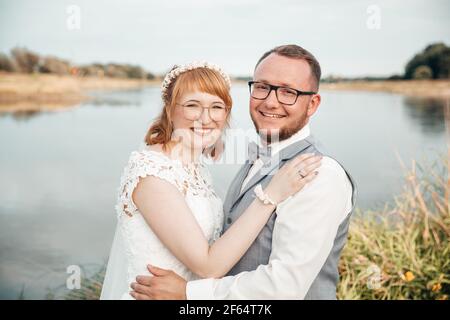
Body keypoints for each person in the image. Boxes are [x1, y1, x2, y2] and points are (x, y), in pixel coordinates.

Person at [130, 45, 356, 300]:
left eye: (288, 92)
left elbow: (283, 287)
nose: (270, 101)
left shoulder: (319, 174)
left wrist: (188, 293)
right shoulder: (257, 156)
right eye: (262, 87)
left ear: (312, 103)